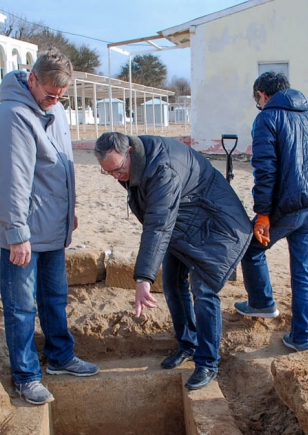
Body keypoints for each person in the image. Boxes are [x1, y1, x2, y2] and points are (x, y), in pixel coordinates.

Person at [0, 48, 98, 405]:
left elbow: (64, 166)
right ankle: (27, 375)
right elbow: (10, 181)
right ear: (31, 80)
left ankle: (60, 357)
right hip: (23, 232)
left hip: (51, 226)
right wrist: (16, 235)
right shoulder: (13, 117)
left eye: (61, 96)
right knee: (20, 306)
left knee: (55, 297)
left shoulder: (56, 109)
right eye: (49, 94)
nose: (55, 102)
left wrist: (69, 211)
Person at [94, 132, 253, 390]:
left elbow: (157, 224)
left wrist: (143, 278)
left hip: (215, 226)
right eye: (108, 172)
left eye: (118, 169)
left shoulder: (161, 168)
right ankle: (188, 344)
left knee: (204, 289)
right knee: (171, 281)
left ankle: (208, 362)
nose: (116, 177)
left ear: (129, 153)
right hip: (183, 222)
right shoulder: (136, 160)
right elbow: (158, 218)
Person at [234, 72, 308, 352]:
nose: (259, 104)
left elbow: (265, 170)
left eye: (258, 99)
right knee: (304, 271)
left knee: (251, 249)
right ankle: (302, 337)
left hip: (287, 206)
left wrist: (263, 214)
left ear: (263, 95)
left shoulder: (267, 118)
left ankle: (262, 303)